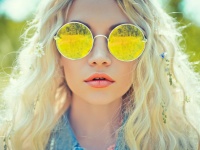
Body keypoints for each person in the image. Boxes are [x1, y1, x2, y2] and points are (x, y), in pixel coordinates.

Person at [0, 0, 200, 149]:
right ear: (55, 52)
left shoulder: (182, 143)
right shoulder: (17, 142)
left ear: (146, 54)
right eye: (76, 36)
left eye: (125, 37)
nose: (99, 57)